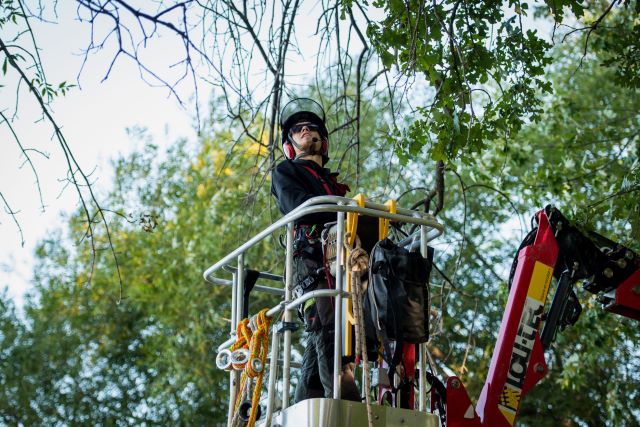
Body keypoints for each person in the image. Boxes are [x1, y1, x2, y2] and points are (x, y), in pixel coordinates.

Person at [270, 98, 359, 403]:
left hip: (343, 265)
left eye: (313, 127)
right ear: (290, 144)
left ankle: (304, 408)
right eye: (298, 129)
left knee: (322, 339)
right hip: (313, 267)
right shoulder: (286, 172)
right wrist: (338, 210)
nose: (307, 130)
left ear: (324, 140)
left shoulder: (334, 185)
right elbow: (298, 208)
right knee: (331, 337)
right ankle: (348, 411)